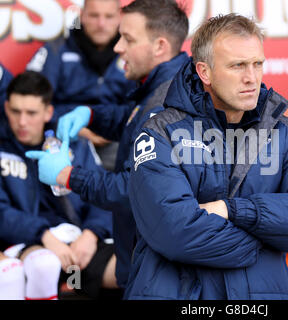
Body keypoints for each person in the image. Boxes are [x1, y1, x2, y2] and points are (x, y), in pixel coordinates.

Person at [123, 13, 288, 300]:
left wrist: (232, 210)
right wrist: (265, 238)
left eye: (257, 64)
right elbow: (175, 232)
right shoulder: (160, 131)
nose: (251, 78)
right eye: (237, 66)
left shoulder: (282, 130)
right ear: (204, 72)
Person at [28, 0, 190, 291]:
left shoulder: (167, 104)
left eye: (127, 39)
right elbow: (131, 120)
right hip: (148, 262)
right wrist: (91, 114)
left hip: (160, 274)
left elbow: (137, 191)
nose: (117, 47)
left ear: (159, 46)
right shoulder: (158, 89)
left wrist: (68, 176)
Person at [1, 71, 116, 300]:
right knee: (45, 265)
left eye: (31, 113)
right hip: (31, 245)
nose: (22, 121)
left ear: (48, 112)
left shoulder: (72, 143)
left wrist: (91, 234)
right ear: (5, 108)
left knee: (134, 268)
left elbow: (104, 194)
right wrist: (43, 235)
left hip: (78, 247)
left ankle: (74, 286)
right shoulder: (2, 147)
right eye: (15, 111)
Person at [26, 0, 135, 171]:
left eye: (108, 16)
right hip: (65, 136)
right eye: (94, 15)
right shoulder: (55, 51)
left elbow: (140, 105)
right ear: (82, 16)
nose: (101, 23)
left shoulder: (133, 51)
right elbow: (31, 104)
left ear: (119, 18)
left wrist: (111, 127)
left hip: (116, 138)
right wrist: (72, 125)